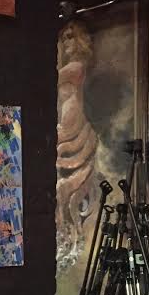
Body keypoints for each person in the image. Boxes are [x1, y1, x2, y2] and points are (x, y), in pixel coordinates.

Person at [56, 19, 98, 270]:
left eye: (72, 36)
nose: (67, 42)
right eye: (64, 38)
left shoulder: (75, 67)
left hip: (73, 128)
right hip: (65, 129)